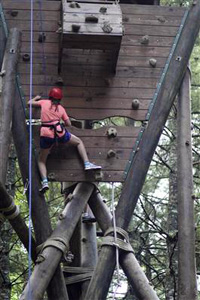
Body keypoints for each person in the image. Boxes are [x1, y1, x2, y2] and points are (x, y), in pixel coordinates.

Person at [28, 87, 101, 193]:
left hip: (46, 134)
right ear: (59, 99)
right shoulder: (61, 108)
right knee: (78, 142)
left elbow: (29, 103)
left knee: (41, 160)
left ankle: (45, 182)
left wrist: (36, 98)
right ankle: (86, 163)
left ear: (50, 96)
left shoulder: (43, 102)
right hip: (59, 133)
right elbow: (68, 124)